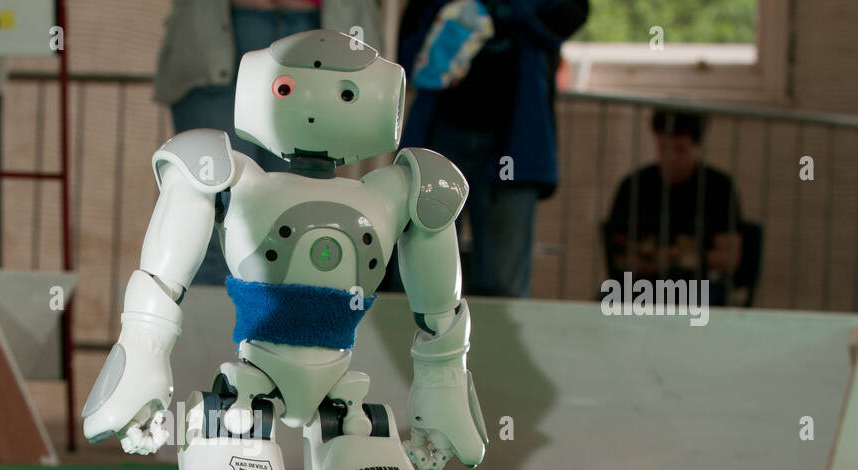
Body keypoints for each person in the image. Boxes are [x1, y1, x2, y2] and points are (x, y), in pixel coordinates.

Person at [154, 0, 384, 283]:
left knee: (305, 220)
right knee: (208, 213)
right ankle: (207, 325)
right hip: (213, 36)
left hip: (323, 27)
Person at [398, 0, 589, 298]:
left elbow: (567, 19)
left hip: (515, 142)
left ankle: (498, 345)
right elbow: (409, 52)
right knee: (421, 275)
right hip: (441, 134)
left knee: (503, 285)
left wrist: (513, 10)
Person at [605, 109, 743, 304]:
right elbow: (618, 253)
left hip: (698, 286)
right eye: (663, 148)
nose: (670, 157)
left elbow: (729, 258)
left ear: (696, 146)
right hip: (643, 284)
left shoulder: (718, 188)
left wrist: (674, 258)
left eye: (680, 149)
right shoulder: (634, 185)